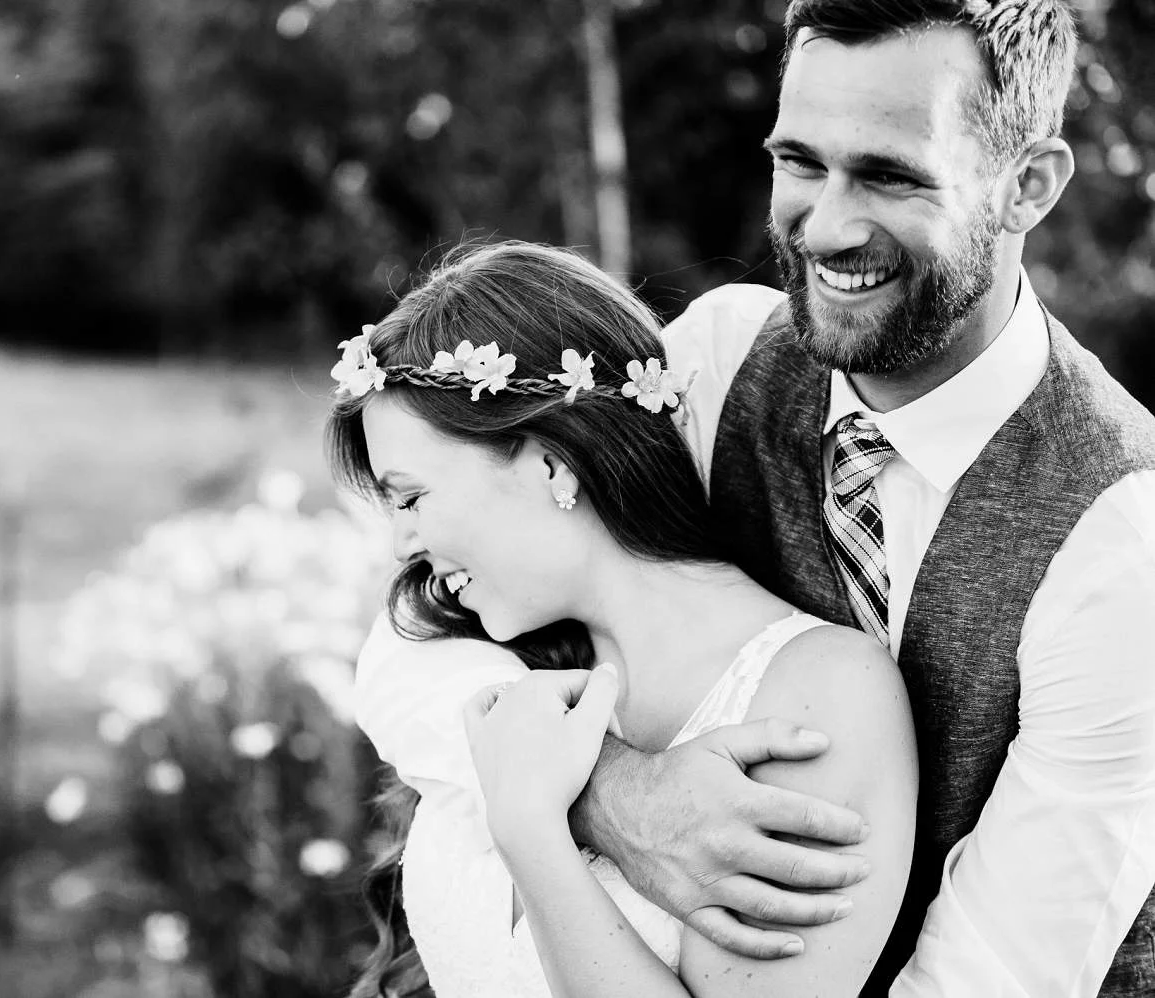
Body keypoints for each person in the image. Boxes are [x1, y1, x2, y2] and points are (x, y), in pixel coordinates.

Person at [353, 1, 1155, 996]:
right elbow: (415, 640)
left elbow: (996, 972)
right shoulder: (720, 357)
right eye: (801, 162)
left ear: (1028, 184)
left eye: (890, 175)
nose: (829, 225)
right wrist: (607, 790)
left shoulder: (1121, 543)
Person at [329, 240, 918, 997]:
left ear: (551, 464)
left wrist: (534, 832)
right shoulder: (494, 657)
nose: (402, 544)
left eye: (412, 498)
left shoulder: (824, 697)